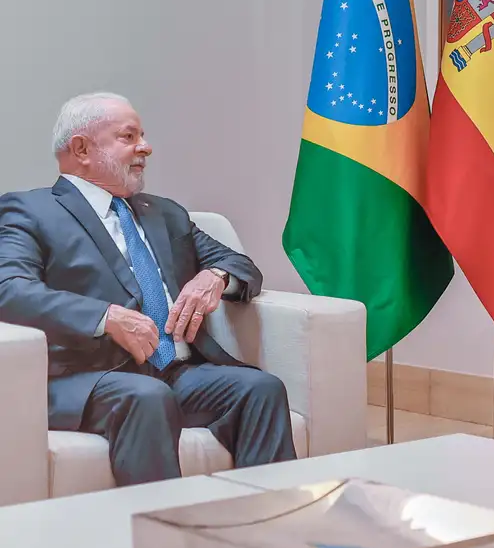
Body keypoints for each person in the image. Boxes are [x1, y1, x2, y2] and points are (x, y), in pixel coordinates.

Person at [0, 92, 296, 485]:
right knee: (145, 396)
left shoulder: (165, 214)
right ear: (82, 148)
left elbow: (241, 266)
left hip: (174, 370)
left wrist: (216, 277)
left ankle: (267, 525)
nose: (146, 147)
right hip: (87, 377)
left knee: (260, 388)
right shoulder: (30, 211)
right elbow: (10, 289)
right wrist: (105, 317)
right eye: (128, 136)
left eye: (143, 135)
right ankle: (159, 539)